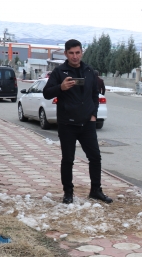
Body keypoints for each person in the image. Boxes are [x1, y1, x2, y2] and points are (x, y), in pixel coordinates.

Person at [43, 39, 112, 205]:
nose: (75, 56)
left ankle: (96, 190)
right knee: (68, 159)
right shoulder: (59, 72)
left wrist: (93, 115)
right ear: (66, 54)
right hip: (67, 123)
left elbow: (95, 94)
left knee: (95, 157)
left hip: (87, 123)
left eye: (78, 52)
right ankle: (68, 193)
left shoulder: (89, 71)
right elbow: (46, 93)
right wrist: (61, 87)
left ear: (82, 52)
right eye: (71, 53)